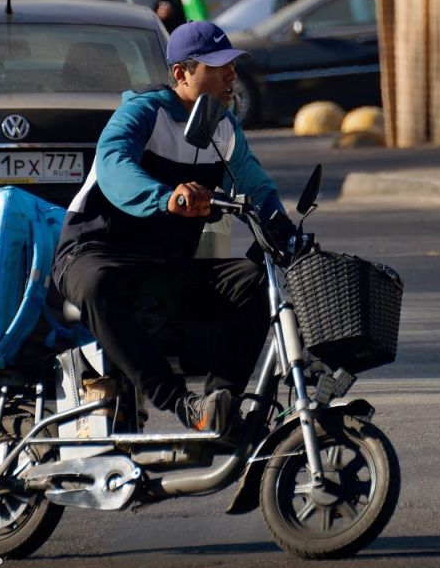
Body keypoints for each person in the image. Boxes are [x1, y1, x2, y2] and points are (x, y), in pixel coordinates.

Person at [51, 21, 284, 433]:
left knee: (252, 280)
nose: (231, 74)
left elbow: (256, 186)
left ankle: (220, 408)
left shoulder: (224, 129)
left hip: (161, 266)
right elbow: (114, 166)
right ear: (181, 74)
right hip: (94, 253)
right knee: (98, 284)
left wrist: (285, 229)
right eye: (217, 66)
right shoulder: (143, 113)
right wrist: (166, 197)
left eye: (232, 63)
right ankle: (182, 404)